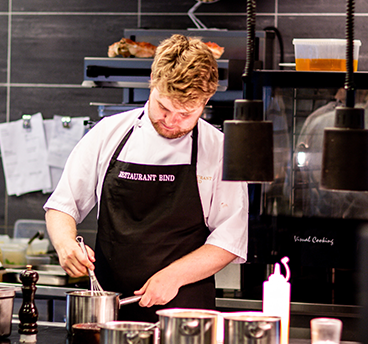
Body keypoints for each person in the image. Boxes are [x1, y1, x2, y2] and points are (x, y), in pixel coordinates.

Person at [43, 34, 248, 322]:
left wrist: (174, 276)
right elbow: (62, 205)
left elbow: (229, 239)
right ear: (152, 79)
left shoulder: (218, 149)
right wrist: (65, 244)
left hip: (184, 318)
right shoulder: (108, 134)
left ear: (206, 100)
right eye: (164, 107)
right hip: (109, 312)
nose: (171, 121)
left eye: (186, 114)